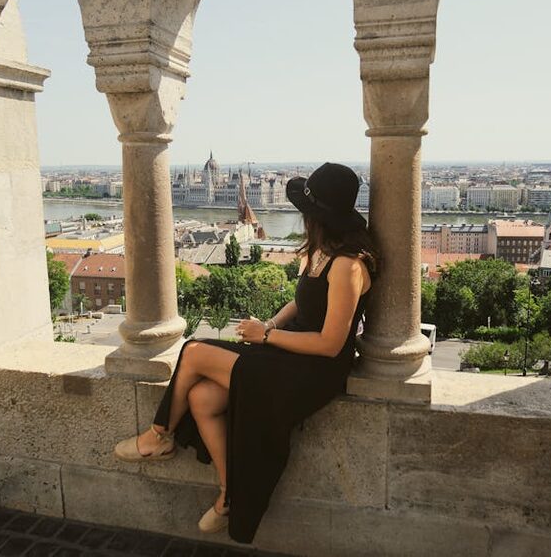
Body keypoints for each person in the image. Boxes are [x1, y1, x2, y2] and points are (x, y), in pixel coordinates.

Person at [112, 162, 378, 544]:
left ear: (319, 217)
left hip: (314, 371)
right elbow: (302, 303)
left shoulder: (349, 265)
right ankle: (228, 495)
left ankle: (159, 435)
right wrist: (269, 324)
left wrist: (266, 339)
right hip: (292, 353)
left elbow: (330, 344)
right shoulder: (324, 251)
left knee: (194, 350)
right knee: (202, 398)